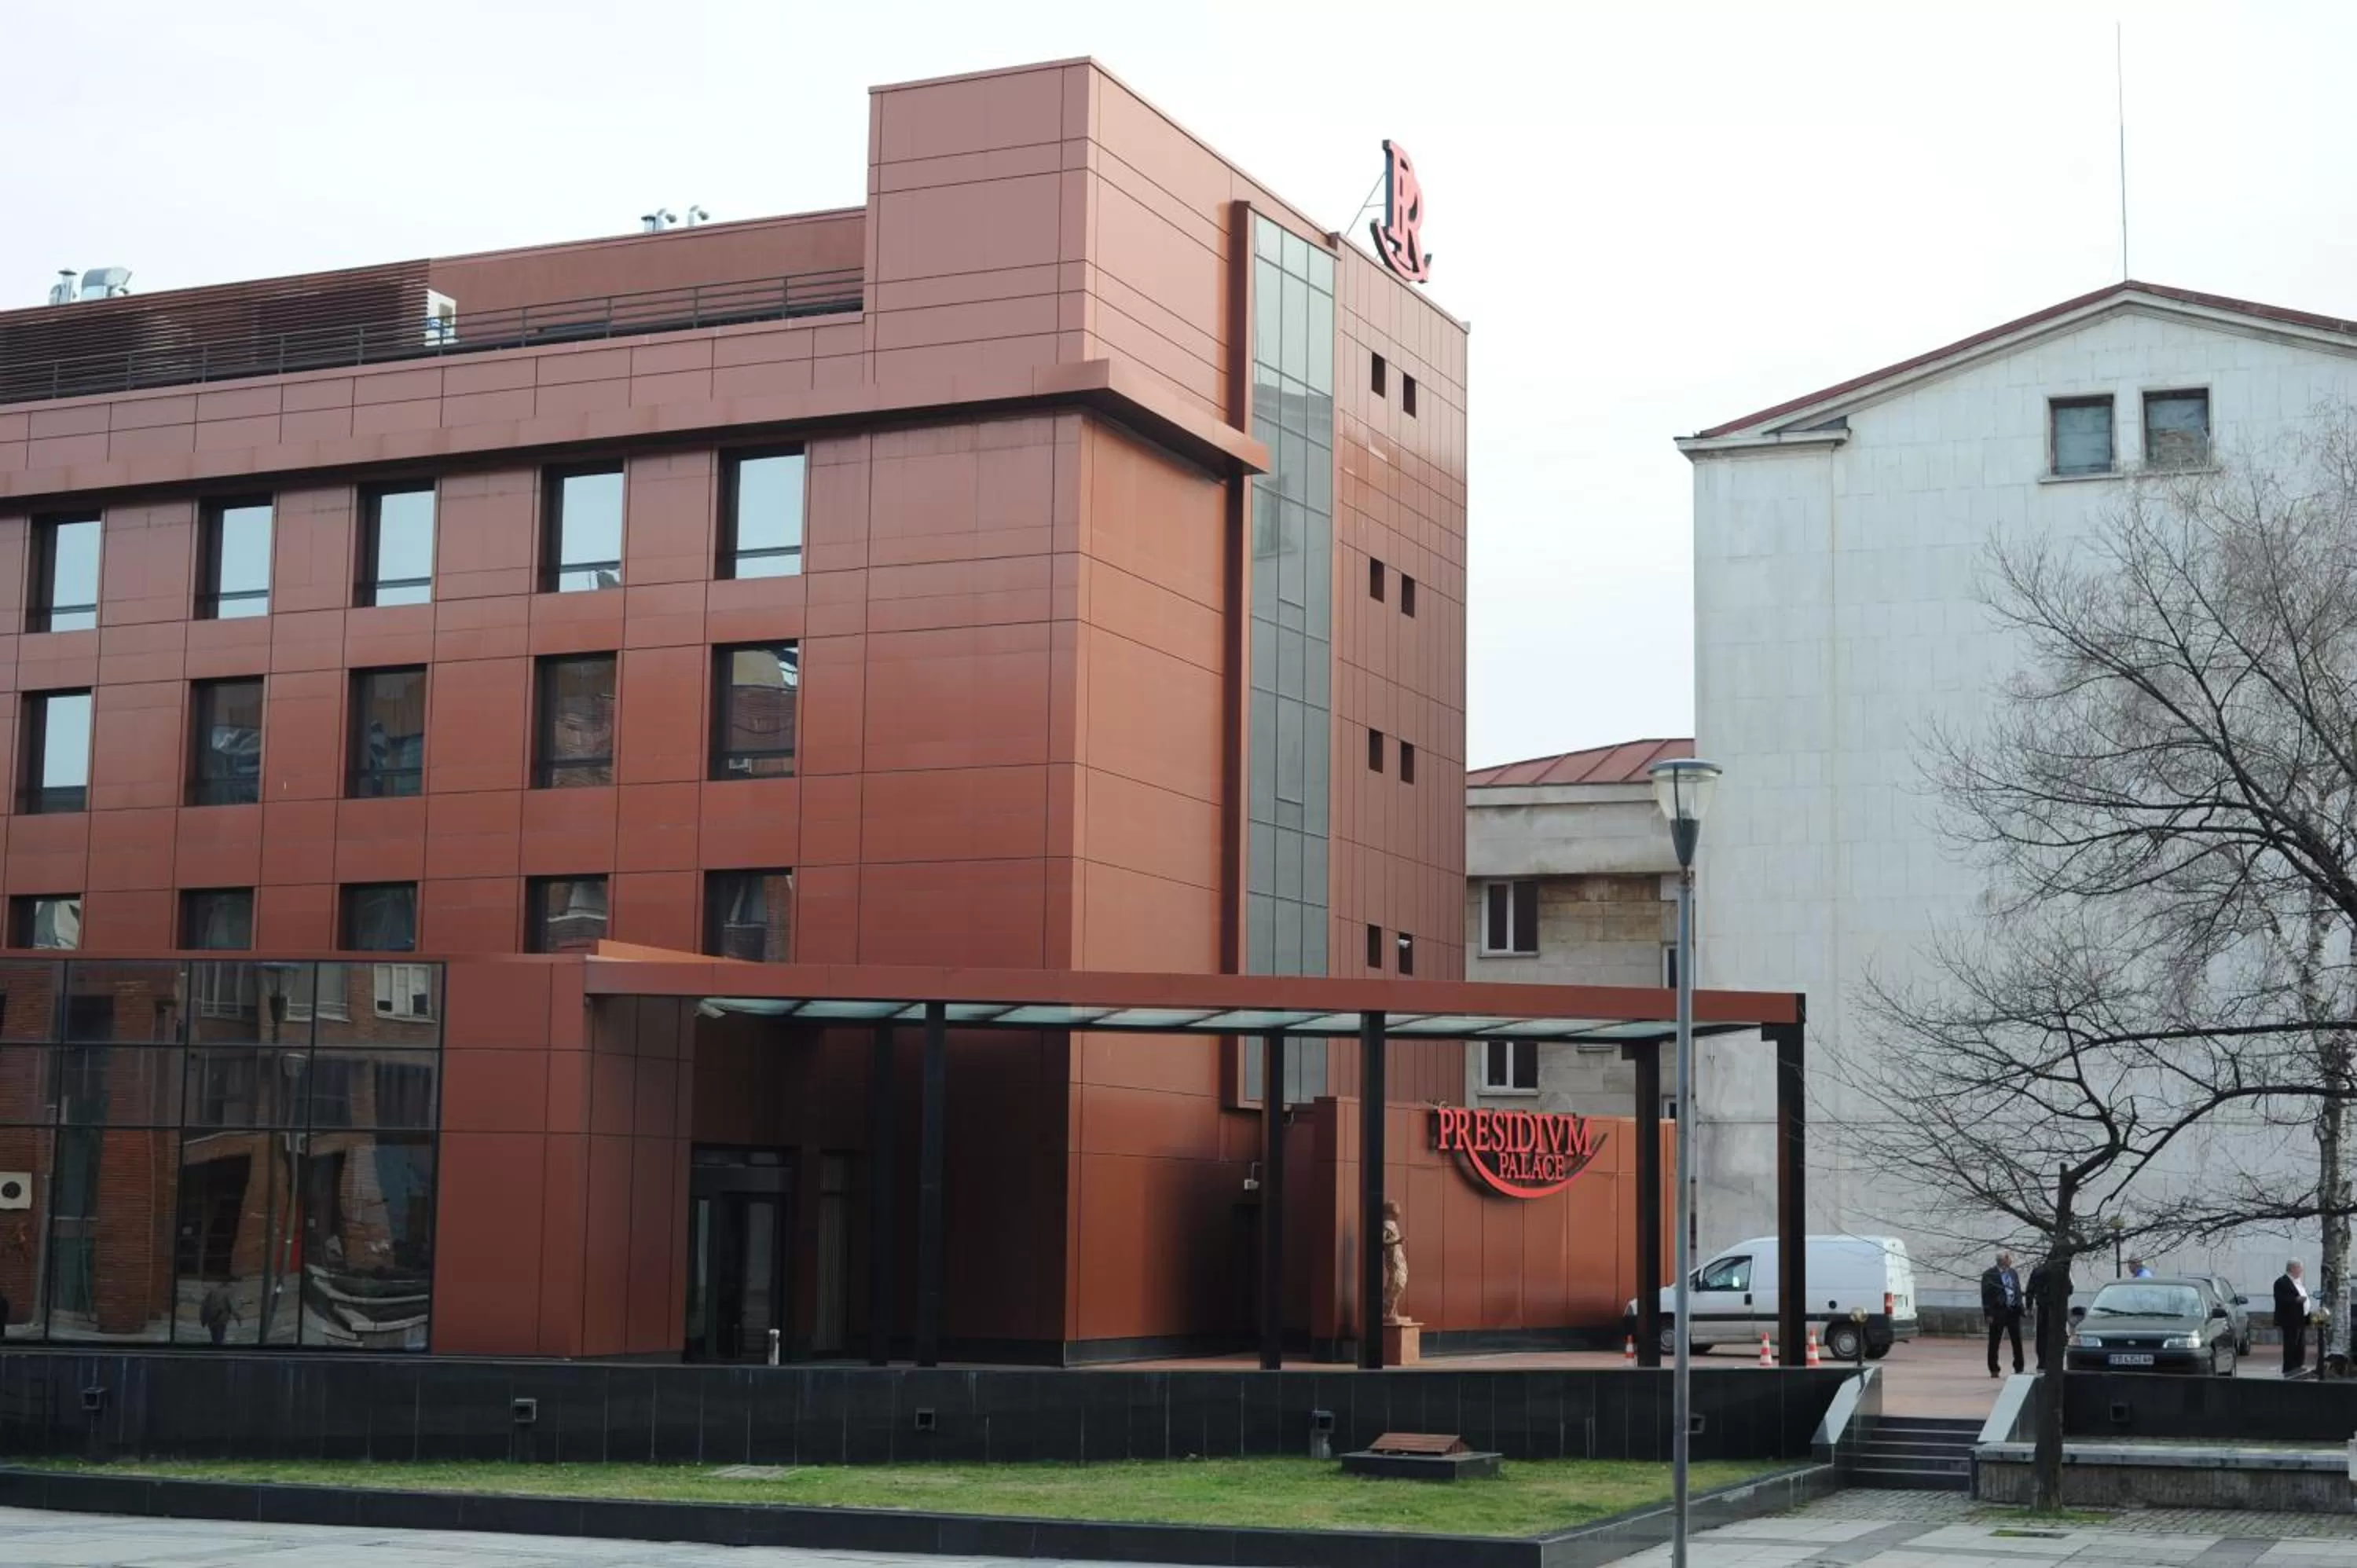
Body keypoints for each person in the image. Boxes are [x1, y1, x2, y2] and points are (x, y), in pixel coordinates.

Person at [1980, 1251, 2025, 1378]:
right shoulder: (1989, 1275)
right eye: (2009, 1258)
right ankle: (1994, 1368)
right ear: (2003, 1259)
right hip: (1998, 1311)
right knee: (1995, 1341)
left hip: (2013, 1311)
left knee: (2017, 1341)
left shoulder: (2013, 1273)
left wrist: (2020, 1305)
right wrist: (1988, 1313)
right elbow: (1986, 1295)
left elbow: (2017, 1290)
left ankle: (2019, 1366)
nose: (2011, 1260)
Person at [2276, 1260, 2311, 1377]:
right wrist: (2296, 1300)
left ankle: (2299, 1365)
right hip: (2290, 1319)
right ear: (2292, 1268)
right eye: (2299, 1268)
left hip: (2301, 1318)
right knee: (2291, 1343)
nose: (2301, 1271)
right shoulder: (2282, 1282)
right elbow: (2281, 1299)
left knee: (2300, 1344)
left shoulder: (2298, 1282)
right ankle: (2289, 1367)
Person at [2025, 1258, 2052, 1369]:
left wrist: (2029, 1307)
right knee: (2056, 1335)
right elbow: (2070, 1289)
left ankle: (2042, 1361)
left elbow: (2030, 1290)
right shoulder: (2061, 1271)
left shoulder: (2038, 1271)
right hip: (2056, 1308)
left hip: (2042, 1306)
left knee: (2042, 1336)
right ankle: (2052, 1361)